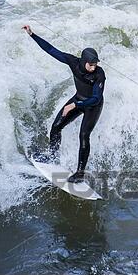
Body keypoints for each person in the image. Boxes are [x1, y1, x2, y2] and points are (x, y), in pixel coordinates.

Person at [22, 25, 105, 183]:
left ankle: (80, 173)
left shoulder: (99, 74)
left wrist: (75, 105)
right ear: (83, 61)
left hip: (93, 106)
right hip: (79, 98)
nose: (93, 67)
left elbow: (96, 98)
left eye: (95, 64)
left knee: (84, 136)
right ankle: (53, 156)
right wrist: (32, 34)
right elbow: (52, 50)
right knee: (55, 128)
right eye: (91, 64)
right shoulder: (74, 62)